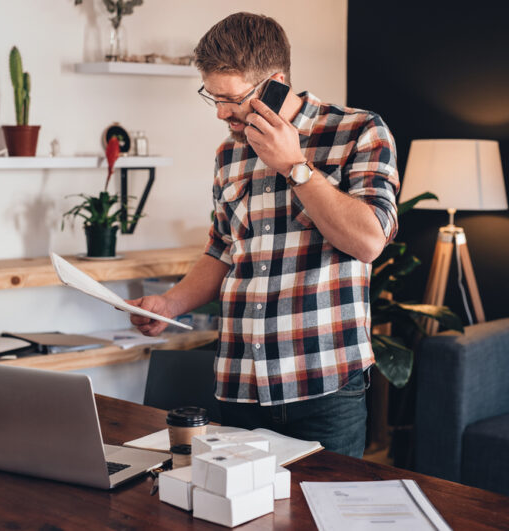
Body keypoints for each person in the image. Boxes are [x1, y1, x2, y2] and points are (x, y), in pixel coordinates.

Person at [128, 12, 399, 458]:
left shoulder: (359, 132)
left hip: (323, 386)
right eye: (211, 96)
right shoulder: (229, 153)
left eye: (231, 98)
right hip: (240, 384)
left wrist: (295, 167)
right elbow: (222, 250)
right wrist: (170, 303)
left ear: (275, 82)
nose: (220, 112)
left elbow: (369, 241)